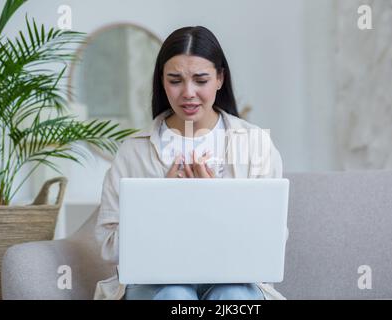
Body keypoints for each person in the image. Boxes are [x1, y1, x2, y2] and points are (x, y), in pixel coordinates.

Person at [94, 26, 285, 300]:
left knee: (232, 295)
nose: (188, 93)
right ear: (161, 81)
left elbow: (270, 243)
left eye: (201, 80)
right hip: (155, 282)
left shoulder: (256, 144)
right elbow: (108, 246)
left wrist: (215, 200)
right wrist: (161, 204)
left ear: (220, 78)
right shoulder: (132, 151)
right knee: (175, 295)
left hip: (235, 280)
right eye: (175, 80)